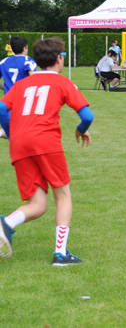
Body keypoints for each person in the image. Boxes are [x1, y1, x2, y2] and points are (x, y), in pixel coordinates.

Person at [0, 37, 94, 265]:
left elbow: (2, 107)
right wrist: (82, 130)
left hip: (20, 144)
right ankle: (60, 254)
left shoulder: (22, 84)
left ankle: (5, 224)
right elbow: (87, 116)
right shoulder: (62, 82)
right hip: (45, 141)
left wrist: (11, 132)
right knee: (62, 194)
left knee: (38, 205)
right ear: (59, 59)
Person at [0, 36, 37, 139]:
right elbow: (33, 76)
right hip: (24, 102)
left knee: (15, 134)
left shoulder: (3, 62)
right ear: (25, 48)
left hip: (8, 102)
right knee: (25, 133)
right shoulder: (28, 61)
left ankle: (3, 133)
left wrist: (4, 87)